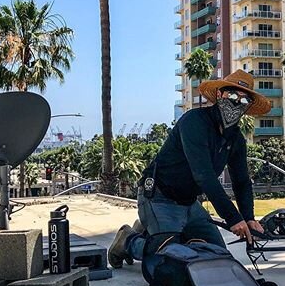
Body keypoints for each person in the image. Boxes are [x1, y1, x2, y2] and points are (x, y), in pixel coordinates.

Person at [108, 69, 271, 268]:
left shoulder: (236, 139)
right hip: (159, 196)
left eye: (245, 100)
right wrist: (233, 218)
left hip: (189, 204)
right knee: (167, 259)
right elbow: (203, 175)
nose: (238, 102)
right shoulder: (194, 122)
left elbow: (241, 181)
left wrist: (249, 218)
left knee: (218, 257)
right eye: (234, 95)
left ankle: (151, 229)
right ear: (220, 94)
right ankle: (128, 240)